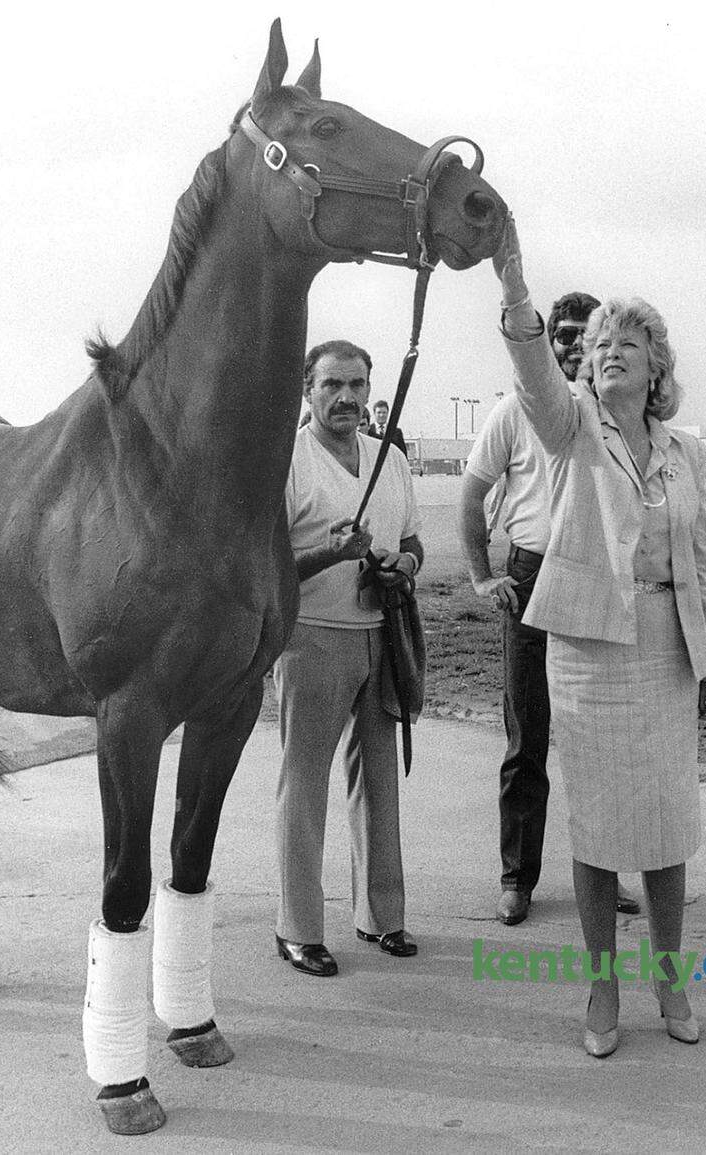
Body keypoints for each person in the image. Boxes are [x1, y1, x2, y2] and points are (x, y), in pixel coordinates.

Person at [491, 216, 706, 1057]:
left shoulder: (687, 451)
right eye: (600, 343)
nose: (611, 352)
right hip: (590, 653)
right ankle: (602, 986)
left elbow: (700, 561)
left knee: (666, 828)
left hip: (668, 647)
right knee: (597, 828)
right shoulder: (571, 430)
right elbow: (533, 376)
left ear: (657, 363)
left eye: (630, 341)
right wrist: (515, 288)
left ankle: (670, 974)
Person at [459, 292, 641, 927]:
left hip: (598, 576)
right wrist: (483, 576)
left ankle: (605, 871)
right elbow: (472, 493)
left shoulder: (616, 418)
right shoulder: (514, 412)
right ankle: (518, 877)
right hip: (532, 576)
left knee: (600, 741)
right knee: (526, 738)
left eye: (583, 338)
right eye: (561, 335)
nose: (570, 346)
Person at [273, 339, 424, 976]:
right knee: (303, 785)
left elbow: (413, 538)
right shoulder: (287, 461)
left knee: (379, 781)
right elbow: (268, 563)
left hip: (379, 635)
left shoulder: (389, 459)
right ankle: (298, 928)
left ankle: (381, 916)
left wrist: (405, 564)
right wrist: (332, 556)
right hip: (311, 637)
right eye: (333, 384)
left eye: (358, 385)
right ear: (307, 390)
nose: (348, 398)